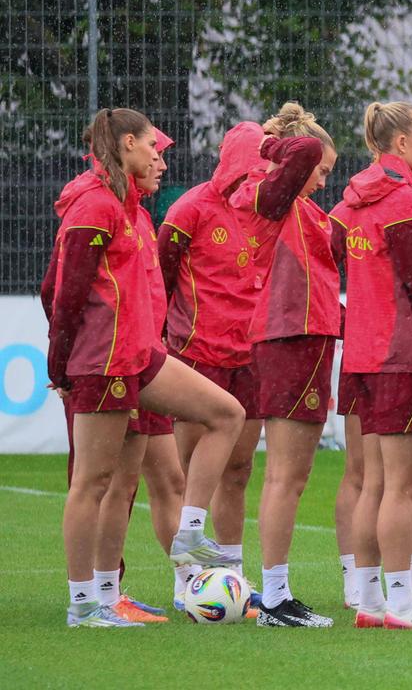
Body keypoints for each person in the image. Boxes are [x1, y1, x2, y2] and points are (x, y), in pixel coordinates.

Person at [45, 108, 245, 627]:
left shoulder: (128, 206)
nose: (161, 158)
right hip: (105, 361)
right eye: (154, 147)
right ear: (128, 143)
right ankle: (85, 604)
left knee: (227, 414)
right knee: (94, 482)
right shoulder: (94, 205)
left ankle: (189, 535)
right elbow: (62, 292)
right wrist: (60, 366)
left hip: (140, 356)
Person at [222, 103, 343, 627]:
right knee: (286, 476)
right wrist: (273, 145)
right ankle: (274, 597)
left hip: (303, 335)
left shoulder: (295, 203)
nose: (321, 180)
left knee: (292, 474)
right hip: (290, 335)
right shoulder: (271, 194)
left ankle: (274, 592)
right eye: (320, 171)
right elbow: (304, 148)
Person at [336, 101, 412, 630]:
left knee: (374, 483)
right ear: (400, 143)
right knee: (402, 486)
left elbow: (338, 258)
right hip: (402, 355)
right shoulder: (404, 202)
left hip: (360, 352)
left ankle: (371, 599)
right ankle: (401, 602)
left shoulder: (351, 200)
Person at [159, 122, 270, 610]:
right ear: (233, 164)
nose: (257, 180)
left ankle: (232, 578)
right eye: (252, 169)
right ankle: (187, 579)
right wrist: (159, 339)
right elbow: (160, 278)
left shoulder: (266, 212)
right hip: (197, 354)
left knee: (239, 469)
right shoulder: (190, 209)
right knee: (188, 474)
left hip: (251, 354)